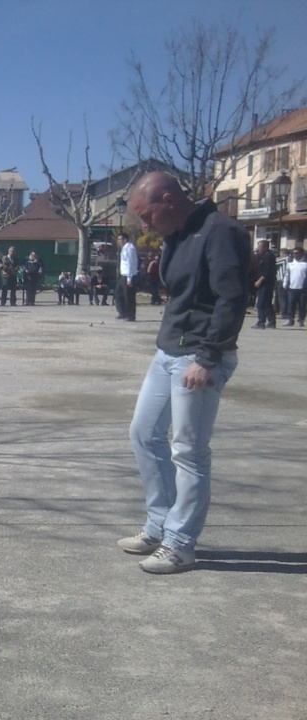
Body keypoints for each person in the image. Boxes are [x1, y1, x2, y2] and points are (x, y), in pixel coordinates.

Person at [120, 171, 250, 574]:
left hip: (199, 356)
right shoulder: (177, 234)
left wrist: (208, 357)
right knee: (143, 432)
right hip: (169, 352)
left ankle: (181, 543)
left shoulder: (220, 231)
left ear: (168, 200)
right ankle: (159, 525)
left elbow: (232, 298)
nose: (145, 225)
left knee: (189, 452)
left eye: (147, 215)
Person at [251, 240, 277, 329]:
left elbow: (267, 272)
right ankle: (271, 322)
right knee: (267, 303)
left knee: (261, 303)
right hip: (264, 284)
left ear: (265, 247)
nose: (258, 248)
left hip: (266, 284)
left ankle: (261, 322)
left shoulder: (268, 257)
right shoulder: (263, 256)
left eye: (260, 247)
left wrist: (259, 281)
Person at [115, 233, 138, 321]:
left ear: (125, 240)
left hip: (129, 275)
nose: (118, 241)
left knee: (129, 296)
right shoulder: (124, 249)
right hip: (123, 275)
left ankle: (131, 315)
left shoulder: (129, 248)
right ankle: (123, 312)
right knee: (118, 294)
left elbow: (130, 263)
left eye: (120, 239)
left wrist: (129, 278)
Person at [283, 245, 306, 328]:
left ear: (301, 254)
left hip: (302, 288)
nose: (294, 255)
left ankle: (301, 320)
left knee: (302, 305)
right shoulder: (290, 264)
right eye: (293, 253)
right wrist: (285, 284)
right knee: (291, 305)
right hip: (292, 288)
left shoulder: (305, 264)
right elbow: (287, 274)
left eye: (296, 253)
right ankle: (290, 320)